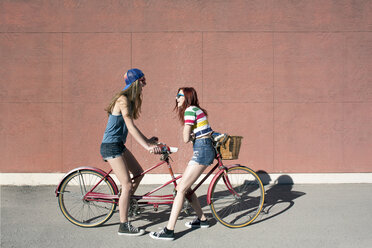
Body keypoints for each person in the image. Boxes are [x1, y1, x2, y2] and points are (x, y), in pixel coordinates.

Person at [100, 68, 161, 236]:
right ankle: (123, 225)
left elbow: (133, 128)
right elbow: (130, 127)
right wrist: (147, 147)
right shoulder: (122, 100)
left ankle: (125, 202)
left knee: (139, 173)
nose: (145, 84)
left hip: (118, 144)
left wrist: (148, 140)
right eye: (143, 81)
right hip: (111, 146)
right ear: (136, 82)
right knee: (126, 185)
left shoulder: (130, 100)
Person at [149, 87, 215, 240]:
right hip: (203, 148)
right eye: (176, 95)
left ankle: (169, 230)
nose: (176, 98)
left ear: (187, 97)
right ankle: (202, 220)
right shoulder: (197, 109)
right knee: (187, 187)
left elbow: (186, 138)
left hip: (202, 150)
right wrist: (192, 135)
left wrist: (189, 135)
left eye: (179, 95)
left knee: (180, 189)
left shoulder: (190, 110)